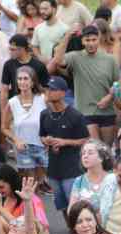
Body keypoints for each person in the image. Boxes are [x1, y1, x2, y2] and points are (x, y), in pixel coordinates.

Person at [53, 25, 120, 146]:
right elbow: (57, 60)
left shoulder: (110, 59)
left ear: (99, 39)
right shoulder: (75, 57)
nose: (91, 43)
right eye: (87, 40)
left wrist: (109, 97)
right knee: (94, 148)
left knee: (107, 150)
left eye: (94, 40)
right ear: (82, 41)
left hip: (107, 112)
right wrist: (67, 36)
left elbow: (117, 84)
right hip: (85, 113)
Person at [39, 76, 91, 216]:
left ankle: (79, 229)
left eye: (53, 89)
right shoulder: (44, 114)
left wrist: (65, 142)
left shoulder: (75, 115)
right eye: (47, 89)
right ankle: (70, 228)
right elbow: (42, 136)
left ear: (63, 93)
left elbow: (86, 139)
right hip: (53, 170)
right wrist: (47, 140)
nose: (48, 92)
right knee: (62, 206)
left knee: (74, 207)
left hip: (72, 169)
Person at [1, 66, 48, 184]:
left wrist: (50, 138)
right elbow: (4, 128)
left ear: (33, 82)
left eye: (26, 78)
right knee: (29, 184)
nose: (22, 82)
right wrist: (16, 140)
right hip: (23, 149)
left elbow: (53, 120)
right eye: (19, 79)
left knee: (42, 183)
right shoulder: (12, 102)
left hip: (43, 147)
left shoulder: (43, 99)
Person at [0, 33, 49, 118]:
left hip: (36, 105)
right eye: (10, 49)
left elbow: (46, 90)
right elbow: (4, 91)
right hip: (16, 105)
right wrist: (3, 114)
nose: (10, 52)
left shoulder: (39, 65)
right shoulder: (8, 64)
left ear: (22, 49)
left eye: (13, 49)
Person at [68, 139, 113, 212]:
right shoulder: (79, 181)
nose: (85, 156)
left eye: (90, 153)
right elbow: (71, 210)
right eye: (83, 153)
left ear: (101, 158)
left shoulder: (113, 179)